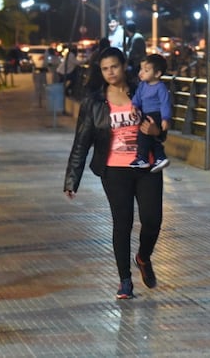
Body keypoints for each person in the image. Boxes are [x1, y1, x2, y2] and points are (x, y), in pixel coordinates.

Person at [63, 47, 164, 300]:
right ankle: (125, 281)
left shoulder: (143, 91)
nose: (110, 72)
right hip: (114, 169)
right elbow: (81, 142)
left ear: (123, 65)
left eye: (114, 67)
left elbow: (160, 128)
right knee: (123, 223)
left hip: (147, 166)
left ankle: (143, 257)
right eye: (105, 68)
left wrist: (157, 133)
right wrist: (71, 179)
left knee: (153, 220)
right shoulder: (94, 102)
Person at [129, 54, 171, 173]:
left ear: (157, 74)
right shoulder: (142, 85)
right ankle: (160, 157)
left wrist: (165, 118)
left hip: (156, 115)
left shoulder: (160, 87)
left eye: (146, 70)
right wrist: (134, 106)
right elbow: (137, 97)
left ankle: (143, 158)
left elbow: (165, 103)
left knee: (143, 136)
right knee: (150, 138)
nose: (141, 73)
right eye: (141, 69)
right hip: (145, 114)